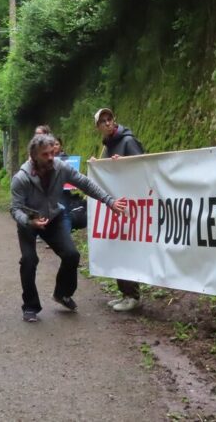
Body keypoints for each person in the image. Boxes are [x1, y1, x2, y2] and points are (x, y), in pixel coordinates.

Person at [11, 134, 127, 323]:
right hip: (29, 221)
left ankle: (62, 294)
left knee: (72, 255)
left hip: (54, 217)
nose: (50, 157)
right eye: (45, 154)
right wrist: (29, 221)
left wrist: (110, 201)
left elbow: (86, 184)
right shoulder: (21, 178)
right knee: (29, 260)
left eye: (52, 153)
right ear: (34, 156)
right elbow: (14, 208)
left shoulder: (60, 167)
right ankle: (30, 306)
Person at [93, 107, 145, 312]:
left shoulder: (128, 141)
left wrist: (125, 163)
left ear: (114, 121)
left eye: (110, 119)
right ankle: (124, 292)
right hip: (116, 205)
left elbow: (143, 166)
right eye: (102, 121)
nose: (107, 123)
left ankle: (133, 295)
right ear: (97, 127)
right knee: (117, 247)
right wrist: (98, 166)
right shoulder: (107, 146)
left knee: (128, 248)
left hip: (131, 205)